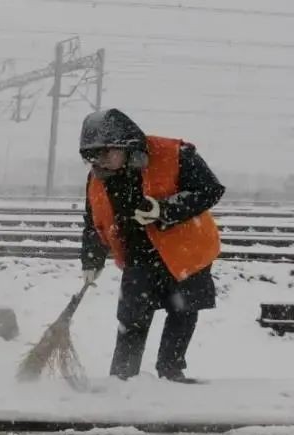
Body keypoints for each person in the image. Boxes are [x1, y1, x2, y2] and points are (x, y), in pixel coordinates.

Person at [79, 108, 224, 383]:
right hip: (138, 255)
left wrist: (164, 209)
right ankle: (123, 378)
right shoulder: (98, 176)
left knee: (183, 311)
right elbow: (92, 222)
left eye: (105, 153)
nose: (99, 162)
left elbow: (210, 190)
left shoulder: (175, 154)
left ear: (125, 143)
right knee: (132, 317)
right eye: (93, 156)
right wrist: (90, 260)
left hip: (185, 252)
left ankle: (171, 371)